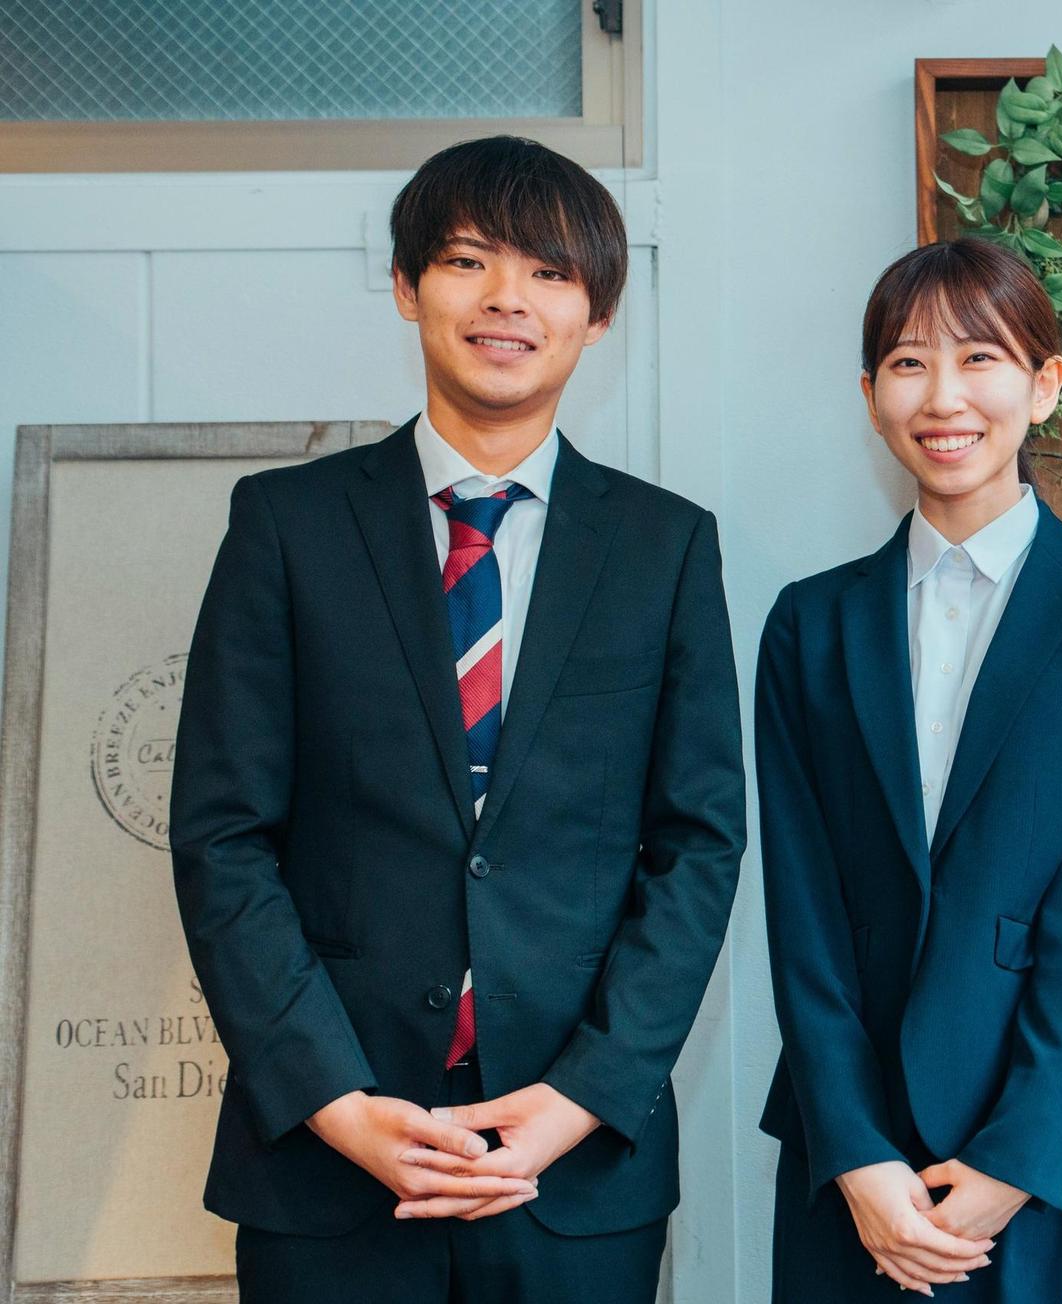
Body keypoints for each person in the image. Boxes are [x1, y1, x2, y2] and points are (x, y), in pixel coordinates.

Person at [170, 135, 745, 1304]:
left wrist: (582, 1096)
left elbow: (697, 846)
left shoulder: (664, 545)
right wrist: (333, 1099)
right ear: (405, 285)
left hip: (574, 1164)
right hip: (328, 1158)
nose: (505, 299)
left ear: (597, 313)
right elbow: (222, 836)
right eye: (469, 260)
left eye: (548, 271)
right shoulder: (286, 524)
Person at [757, 237, 1062, 1301]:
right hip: (854, 1145)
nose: (943, 396)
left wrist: (1016, 1156)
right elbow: (802, 912)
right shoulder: (809, 623)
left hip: (1061, 1136)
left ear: (1044, 385)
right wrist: (854, 1150)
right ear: (871, 396)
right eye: (909, 363)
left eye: (980, 358)